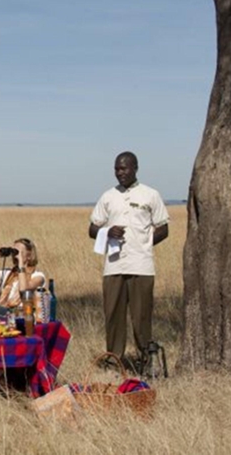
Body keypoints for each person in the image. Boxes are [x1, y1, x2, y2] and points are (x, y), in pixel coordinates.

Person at [89, 151, 169, 362]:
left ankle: (146, 360)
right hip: (113, 266)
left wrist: (143, 243)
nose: (119, 173)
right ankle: (114, 360)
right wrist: (106, 232)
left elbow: (163, 228)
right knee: (113, 315)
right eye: (116, 168)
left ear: (135, 168)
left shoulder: (150, 194)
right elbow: (92, 228)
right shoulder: (108, 196)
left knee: (141, 316)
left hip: (141, 265)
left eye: (124, 168)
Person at [0, 238, 46, 318]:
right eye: (14, 252)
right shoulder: (8, 273)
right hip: (5, 311)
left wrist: (21, 262)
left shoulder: (38, 276)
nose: (15, 255)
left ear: (29, 256)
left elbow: (23, 289)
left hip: (22, 314)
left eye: (19, 252)